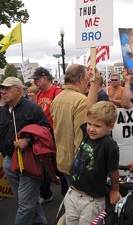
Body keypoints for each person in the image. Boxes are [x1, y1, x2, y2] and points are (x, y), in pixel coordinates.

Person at [64, 68, 120, 224]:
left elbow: (113, 170)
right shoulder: (86, 134)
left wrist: (115, 190)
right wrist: (94, 82)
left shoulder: (109, 145)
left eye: (97, 126)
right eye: (89, 124)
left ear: (110, 127)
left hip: (92, 200)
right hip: (73, 194)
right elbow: (89, 107)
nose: (91, 128)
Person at [0, 77, 51, 225]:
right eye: (2, 89)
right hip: (9, 161)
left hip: (29, 160)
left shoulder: (32, 108)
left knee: (25, 205)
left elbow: (47, 130)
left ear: (18, 90)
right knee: (27, 201)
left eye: (7, 89)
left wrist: (28, 140)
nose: (3, 92)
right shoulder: (2, 111)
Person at [50, 64, 90, 187]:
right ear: (81, 78)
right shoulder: (81, 100)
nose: (88, 82)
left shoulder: (57, 98)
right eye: (88, 78)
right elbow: (81, 138)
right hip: (77, 165)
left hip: (63, 160)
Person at [29, 67, 62, 204]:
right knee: (43, 165)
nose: (34, 82)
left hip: (54, 135)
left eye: (36, 79)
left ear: (44, 78)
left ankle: (66, 194)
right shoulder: (40, 94)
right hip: (43, 136)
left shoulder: (57, 92)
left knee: (58, 165)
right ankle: (46, 193)